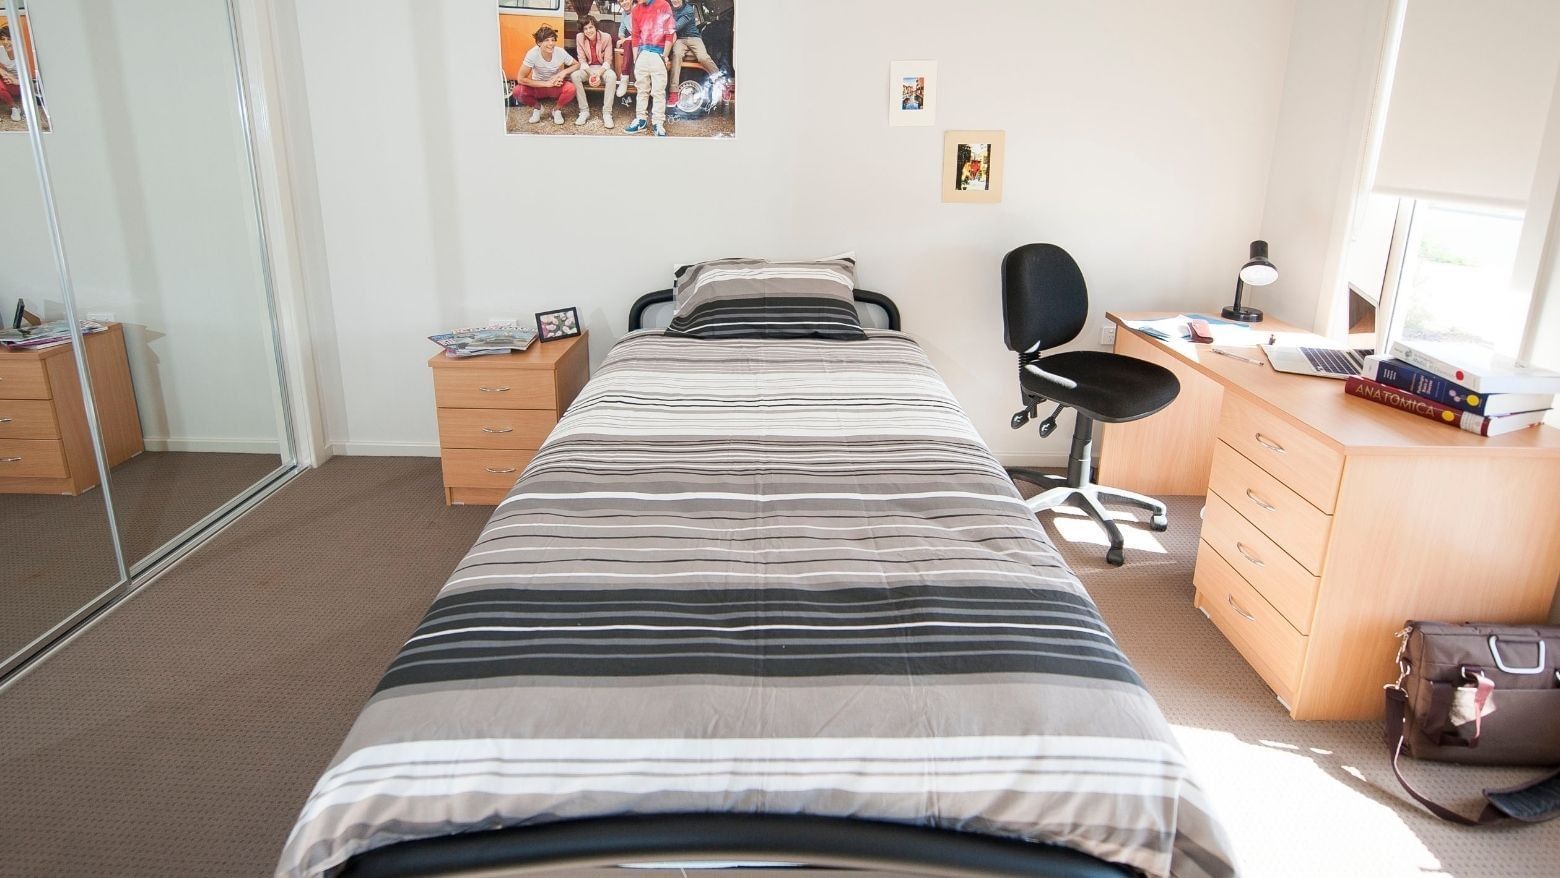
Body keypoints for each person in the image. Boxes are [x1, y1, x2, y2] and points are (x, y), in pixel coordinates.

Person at [623, 0, 675, 136]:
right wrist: (636, 58)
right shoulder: (636, 10)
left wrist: (664, 56)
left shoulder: (663, 4)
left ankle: (658, 123)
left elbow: (669, 33)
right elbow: (635, 35)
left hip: (659, 53)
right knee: (642, 89)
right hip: (642, 54)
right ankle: (641, 120)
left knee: (658, 91)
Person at [512, 25, 579, 126]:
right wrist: (547, 83)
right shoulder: (532, 54)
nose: (551, 43)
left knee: (571, 89)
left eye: (553, 40)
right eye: (546, 40)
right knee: (517, 91)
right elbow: (521, 79)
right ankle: (538, 108)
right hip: (538, 86)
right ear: (539, 42)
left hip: (555, 85)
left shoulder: (560, 51)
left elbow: (577, 64)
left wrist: (563, 73)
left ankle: (556, 110)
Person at [570, 16, 616, 128]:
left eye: (591, 27)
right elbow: (581, 60)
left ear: (595, 27)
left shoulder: (606, 37)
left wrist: (598, 74)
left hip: (602, 68)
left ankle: (607, 113)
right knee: (574, 75)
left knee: (612, 76)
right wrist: (591, 74)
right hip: (588, 68)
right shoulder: (579, 37)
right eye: (585, 28)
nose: (588, 31)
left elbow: (608, 60)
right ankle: (584, 111)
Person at [667, 0, 718, 93]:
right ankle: (673, 91)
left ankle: (719, 81)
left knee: (703, 57)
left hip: (694, 38)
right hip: (680, 39)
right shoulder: (668, 9)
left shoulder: (689, 9)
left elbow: (676, 26)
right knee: (676, 55)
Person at [0, 25, 24, 115]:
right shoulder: (1, 50)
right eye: (3, 39)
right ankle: (13, 106)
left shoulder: (22, 54)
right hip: (7, 82)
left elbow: (31, 82)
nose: (6, 42)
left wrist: (16, 81)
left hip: (20, 85)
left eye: (9, 39)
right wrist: (3, 72)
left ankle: (14, 107)